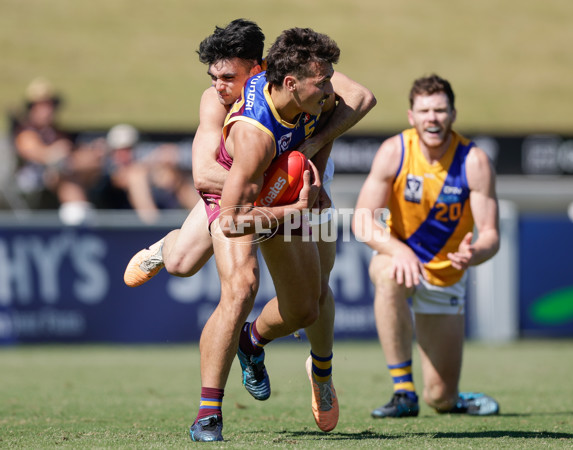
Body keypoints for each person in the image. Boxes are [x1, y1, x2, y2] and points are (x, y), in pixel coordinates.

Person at [122, 19, 375, 439]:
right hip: (240, 190)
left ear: (260, 68)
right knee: (226, 281)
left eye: (228, 76)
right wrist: (282, 197)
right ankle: (208, 413)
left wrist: (311, 155)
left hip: (288, 184)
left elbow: (357, 99)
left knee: (311, 302)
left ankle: (264, 346)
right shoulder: (242, 123)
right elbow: (208, 181)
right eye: (214, 77)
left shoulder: (312, 83)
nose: (220, 86)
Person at [187, 27, 344, 442]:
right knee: (240, 289)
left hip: (279, 198)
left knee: (305, 310)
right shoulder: (254, 136)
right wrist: (295, 209)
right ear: (291, 83)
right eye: (323, 79)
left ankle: (251, 342)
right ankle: (207, 414)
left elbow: (351, 106)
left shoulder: (314, 97)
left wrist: (317, 173)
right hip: (236, 200)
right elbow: (231, 220)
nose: (330, 87)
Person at [352, 74, 501, 419]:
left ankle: (453, 397)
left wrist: (475, 253)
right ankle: (403, 391)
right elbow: (361, 221)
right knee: (388, 273)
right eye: (424, 111)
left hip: (446, 277)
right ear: (411, 116)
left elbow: (491, 236)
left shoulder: (474, 161)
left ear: (452, 114)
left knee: (441, 398)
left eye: (439, 110)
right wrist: (399, 250)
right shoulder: (395, 151)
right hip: (400, 262)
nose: (432, 117)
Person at [11, 77, 104, 220]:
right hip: (32, 182)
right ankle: (81, 220)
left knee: (85, 165)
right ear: (32, 108)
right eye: (42, 105)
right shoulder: (26, 131)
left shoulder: (57, 132)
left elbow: (68, 155)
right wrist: (61, 154)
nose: (47, 110)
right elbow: (41, 155)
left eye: (50, 105)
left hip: (63, 173)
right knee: (65, 176)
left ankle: (80, 215)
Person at [104, 123, 197, 223]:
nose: (124, 155)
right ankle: (154, 226)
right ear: (112, 152)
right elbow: (119, 178)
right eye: (119, 151)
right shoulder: (108, 171)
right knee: (136, 176)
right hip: (129, 216)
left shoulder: (145, 167)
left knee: (173, 176)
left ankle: (204, 220)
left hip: (164, 207)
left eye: (128, 149)